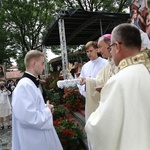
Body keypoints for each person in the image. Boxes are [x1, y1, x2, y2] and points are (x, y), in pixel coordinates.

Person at [85, 23, 150, 150]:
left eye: (111, 47)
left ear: (118, 46)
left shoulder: (118, 81)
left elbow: (99, 127)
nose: (111, 51)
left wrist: (90, 122)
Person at [12, 50, 63, 150]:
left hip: (38, 135)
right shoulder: (24, 86)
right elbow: (28, 117)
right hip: (33, 140)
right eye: (43, 63)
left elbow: (34, 108)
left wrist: (46, 107)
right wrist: (47, 110)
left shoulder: (30, 83)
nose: (44, 67)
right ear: (34, 64)